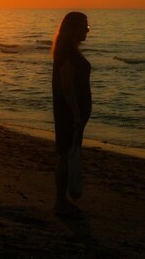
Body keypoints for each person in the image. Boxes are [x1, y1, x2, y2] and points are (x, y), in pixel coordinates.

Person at [51, 11, 91, 216]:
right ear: (73, 29)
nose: (86, 31)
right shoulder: (67, 53)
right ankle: (60, 202)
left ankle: (63, 200)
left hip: (74, 113)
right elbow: (67, 86)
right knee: (66, 155)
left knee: (69, 154)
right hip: (69, 113)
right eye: (84, 27)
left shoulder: (70, 51)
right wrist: (75, 113)